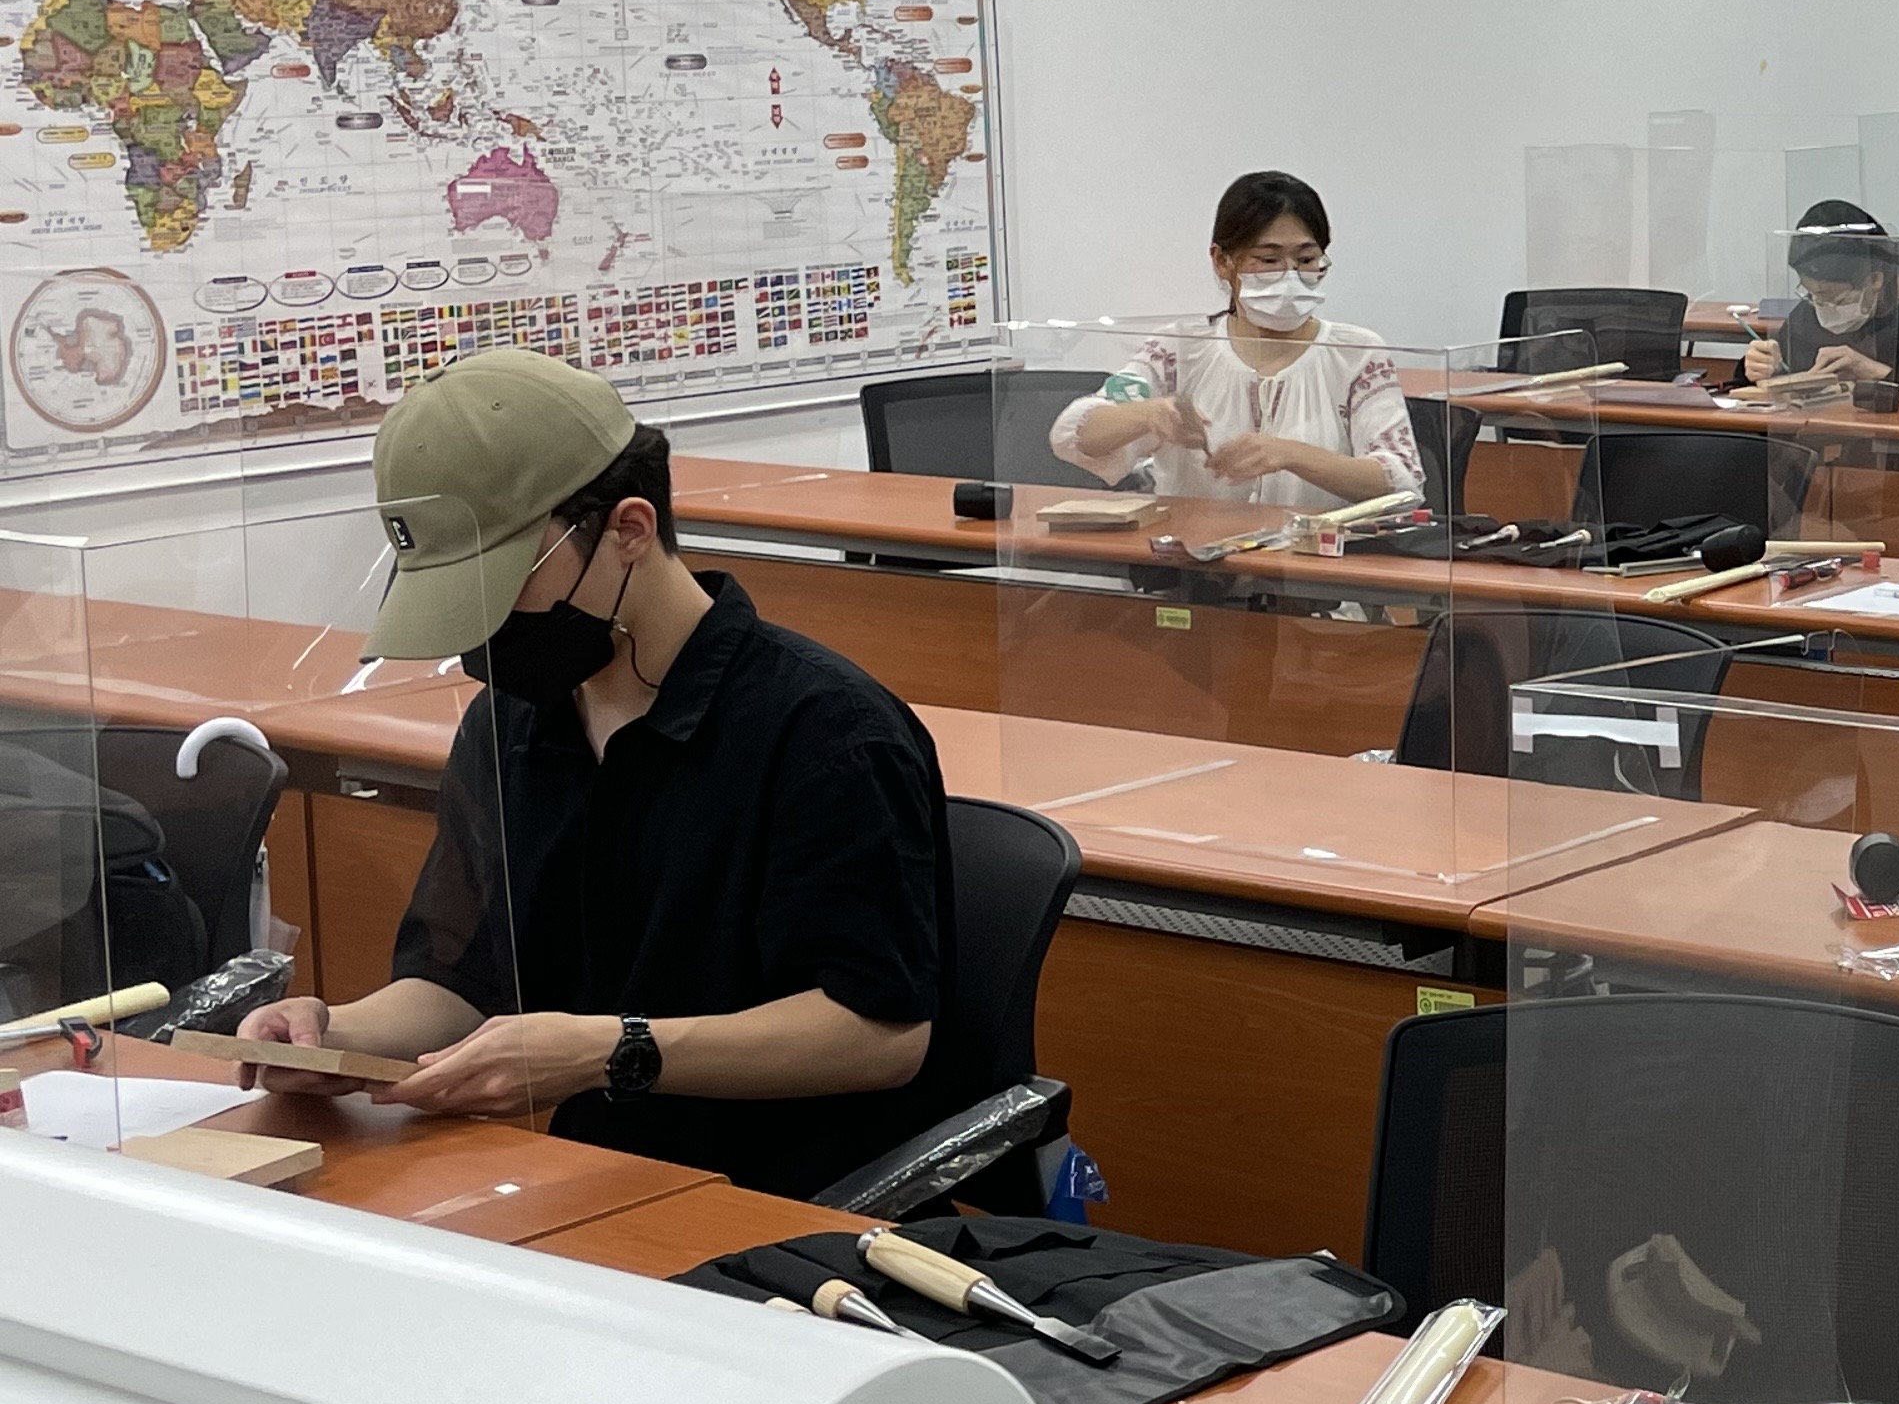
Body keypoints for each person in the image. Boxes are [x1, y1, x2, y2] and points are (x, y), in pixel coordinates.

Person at [238, 348, 961, 1200]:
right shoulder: (512, 722)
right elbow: (466, 980)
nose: (484, 631)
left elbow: (878, 1035)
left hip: (783, 1193)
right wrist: (335, 1036)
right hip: (587, 1173)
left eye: (502, 584)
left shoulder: (826, 735)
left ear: (628, 531)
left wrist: (610, 1051)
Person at [1055, 170, 1420, 510]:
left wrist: (1288, 454)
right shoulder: (1179, 349)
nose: (1290, 277)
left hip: (1315, 554)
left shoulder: (1355, 354)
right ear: (1222, 261)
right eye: (1269, 259)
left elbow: (1403, 482)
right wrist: (1149, 414)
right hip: (1196, 553)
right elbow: (1073, 434)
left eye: (1307, 259)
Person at [1741, 200, 1899, 400]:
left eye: (1835, 297)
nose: (1822, 306)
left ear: (1874, 280)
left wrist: (1877, 373)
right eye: (1811, 294)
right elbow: (1788, 369)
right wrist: (1765, 366)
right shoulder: (1812, 310)